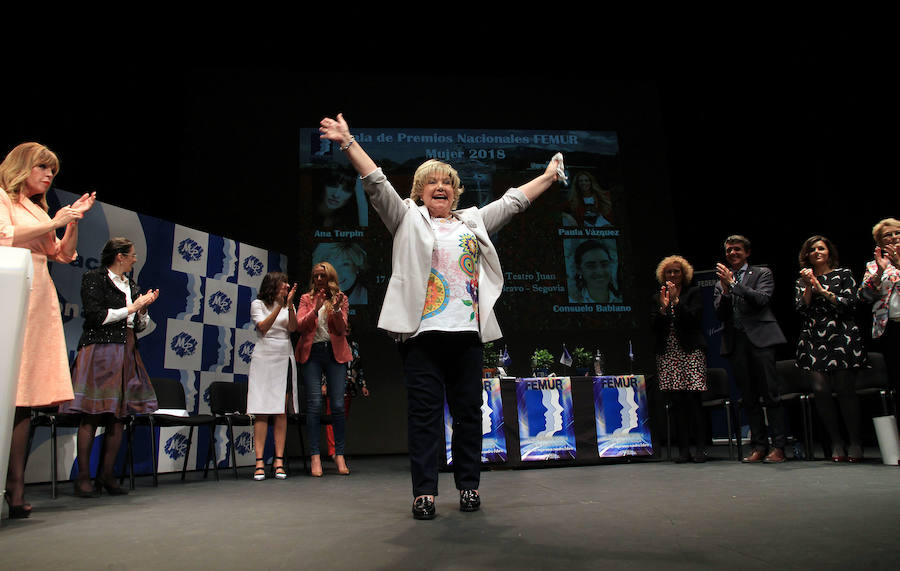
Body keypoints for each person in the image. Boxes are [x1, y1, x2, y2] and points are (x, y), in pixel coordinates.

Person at [319, 113, 560, 520]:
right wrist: (347, 142)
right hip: (422, 336)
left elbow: (514, 200)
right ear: (419, 191)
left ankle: (468, 486)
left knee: (468, 414)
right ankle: (424, 493)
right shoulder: (406, 217)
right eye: (432, 182)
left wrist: (550, 176)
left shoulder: (473, 220)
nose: (441, 187)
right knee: (424, 416)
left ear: (456, 191)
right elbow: (376, 181)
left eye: (447, 182)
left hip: (466, 334)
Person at [0, 142, 95, 517]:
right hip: (11, 295)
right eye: (43, 167)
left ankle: (15, 487)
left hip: (39, 298)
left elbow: (63, 253)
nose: (49, 175)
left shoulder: (37, 208)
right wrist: (54, 220)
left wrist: (70, 221)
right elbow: (5, 237)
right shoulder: (4, 199)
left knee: (24, 398)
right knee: (8, 392)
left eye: (52, 171)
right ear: (23, 166)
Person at [61, 238, 160, 496]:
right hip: (100, 349)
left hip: (126, 349)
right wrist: (131, 307)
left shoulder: (132, 285)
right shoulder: (95, 278)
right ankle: (83, 477)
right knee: (92, 413)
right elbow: (95, 317)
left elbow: (139, 326)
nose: (135, 259)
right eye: (132, 255)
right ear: (119, 256)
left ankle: (107, 475)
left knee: (119, 416)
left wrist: (142, 311)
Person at [714, 235, 789, 463]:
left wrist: (735, 285)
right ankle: (758, 446)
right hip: (737, 343)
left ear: (746, 253)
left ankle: (779, 447)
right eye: (729, 251)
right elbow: (720, 314)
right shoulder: (720, 283)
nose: (732, 254)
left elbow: (761, 300)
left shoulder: (761, 273)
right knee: (749, 397)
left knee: (770, 394)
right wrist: (726, 291)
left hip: (761, 340)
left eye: (737, 250)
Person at [795, 236, 867, 462]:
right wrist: (808, 287)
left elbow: (851, 303)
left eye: (821, 248)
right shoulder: (802, 280)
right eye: (812, 250)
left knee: (845, 389)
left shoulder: (843, 274)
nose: (816, 252)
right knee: (820, 390)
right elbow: (801, 309)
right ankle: (836, 442)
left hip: (842, 334)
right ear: (806, 255)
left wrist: (821, 290)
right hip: (814, 337)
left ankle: (855, 442)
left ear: (829, 252)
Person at [295, 261, 351, 477]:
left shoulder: (341, 298)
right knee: (315, 404)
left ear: (330, 278)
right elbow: (300, 326)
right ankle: (315, 456)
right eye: (316, 276)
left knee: (337, 405)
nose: (319, 280)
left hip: (334, 353)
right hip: (312, 354)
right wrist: (316, 309)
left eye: (323, 276)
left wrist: (335, 309)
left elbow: (341, 328)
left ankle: (339, 454)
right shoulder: (306, 299)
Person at [651, 255, 708, 463]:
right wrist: (664, 308)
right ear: (662, 275)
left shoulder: (693, 293)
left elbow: (694, 320)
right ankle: (683, 450)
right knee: (677, 403)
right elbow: (654, 327)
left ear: (684, 275)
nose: (672, 275)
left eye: (676, 271)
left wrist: (676, 301)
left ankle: (700, 448)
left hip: (690, 351)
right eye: (669, 272)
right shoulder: (657, 297)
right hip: (668, 353)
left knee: (693, 400)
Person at [247, 271, 298, 481]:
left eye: (287, 282)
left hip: (283, 357)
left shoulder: (288, 305)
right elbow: (264, 328)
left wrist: (291, 306)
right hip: (264, 357)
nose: (286, 286)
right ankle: (259, 461)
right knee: (261, 411)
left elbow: (293, 328)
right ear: (273, 285)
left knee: (280, 411)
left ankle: (278, 460)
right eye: (283, 283)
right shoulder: (257, 304)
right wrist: (280, 305)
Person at [859, 218, 900, 394]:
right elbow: (863, 296)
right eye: (887, 235)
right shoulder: (874, 265)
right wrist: (880, 272)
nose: (893, 237)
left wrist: (898, 263)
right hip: (892, 327)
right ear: (879, 242)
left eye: (897, 232)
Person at [322, 335, 369, 460]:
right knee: (331, 416)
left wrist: (362, 385)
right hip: (332, 384)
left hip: (348, 385)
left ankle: (339, 450)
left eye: (349, 329)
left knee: (342, 418)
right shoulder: (330, 342)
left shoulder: (354, 346)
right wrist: (323, 383)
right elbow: (323, 365)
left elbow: (358, 366)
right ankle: (333, 451)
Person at [570, 239, 622, 303]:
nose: (599, 272)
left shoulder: (621, 299)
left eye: (604, 264)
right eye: (591, 266)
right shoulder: (572, 301)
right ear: (579, 270)